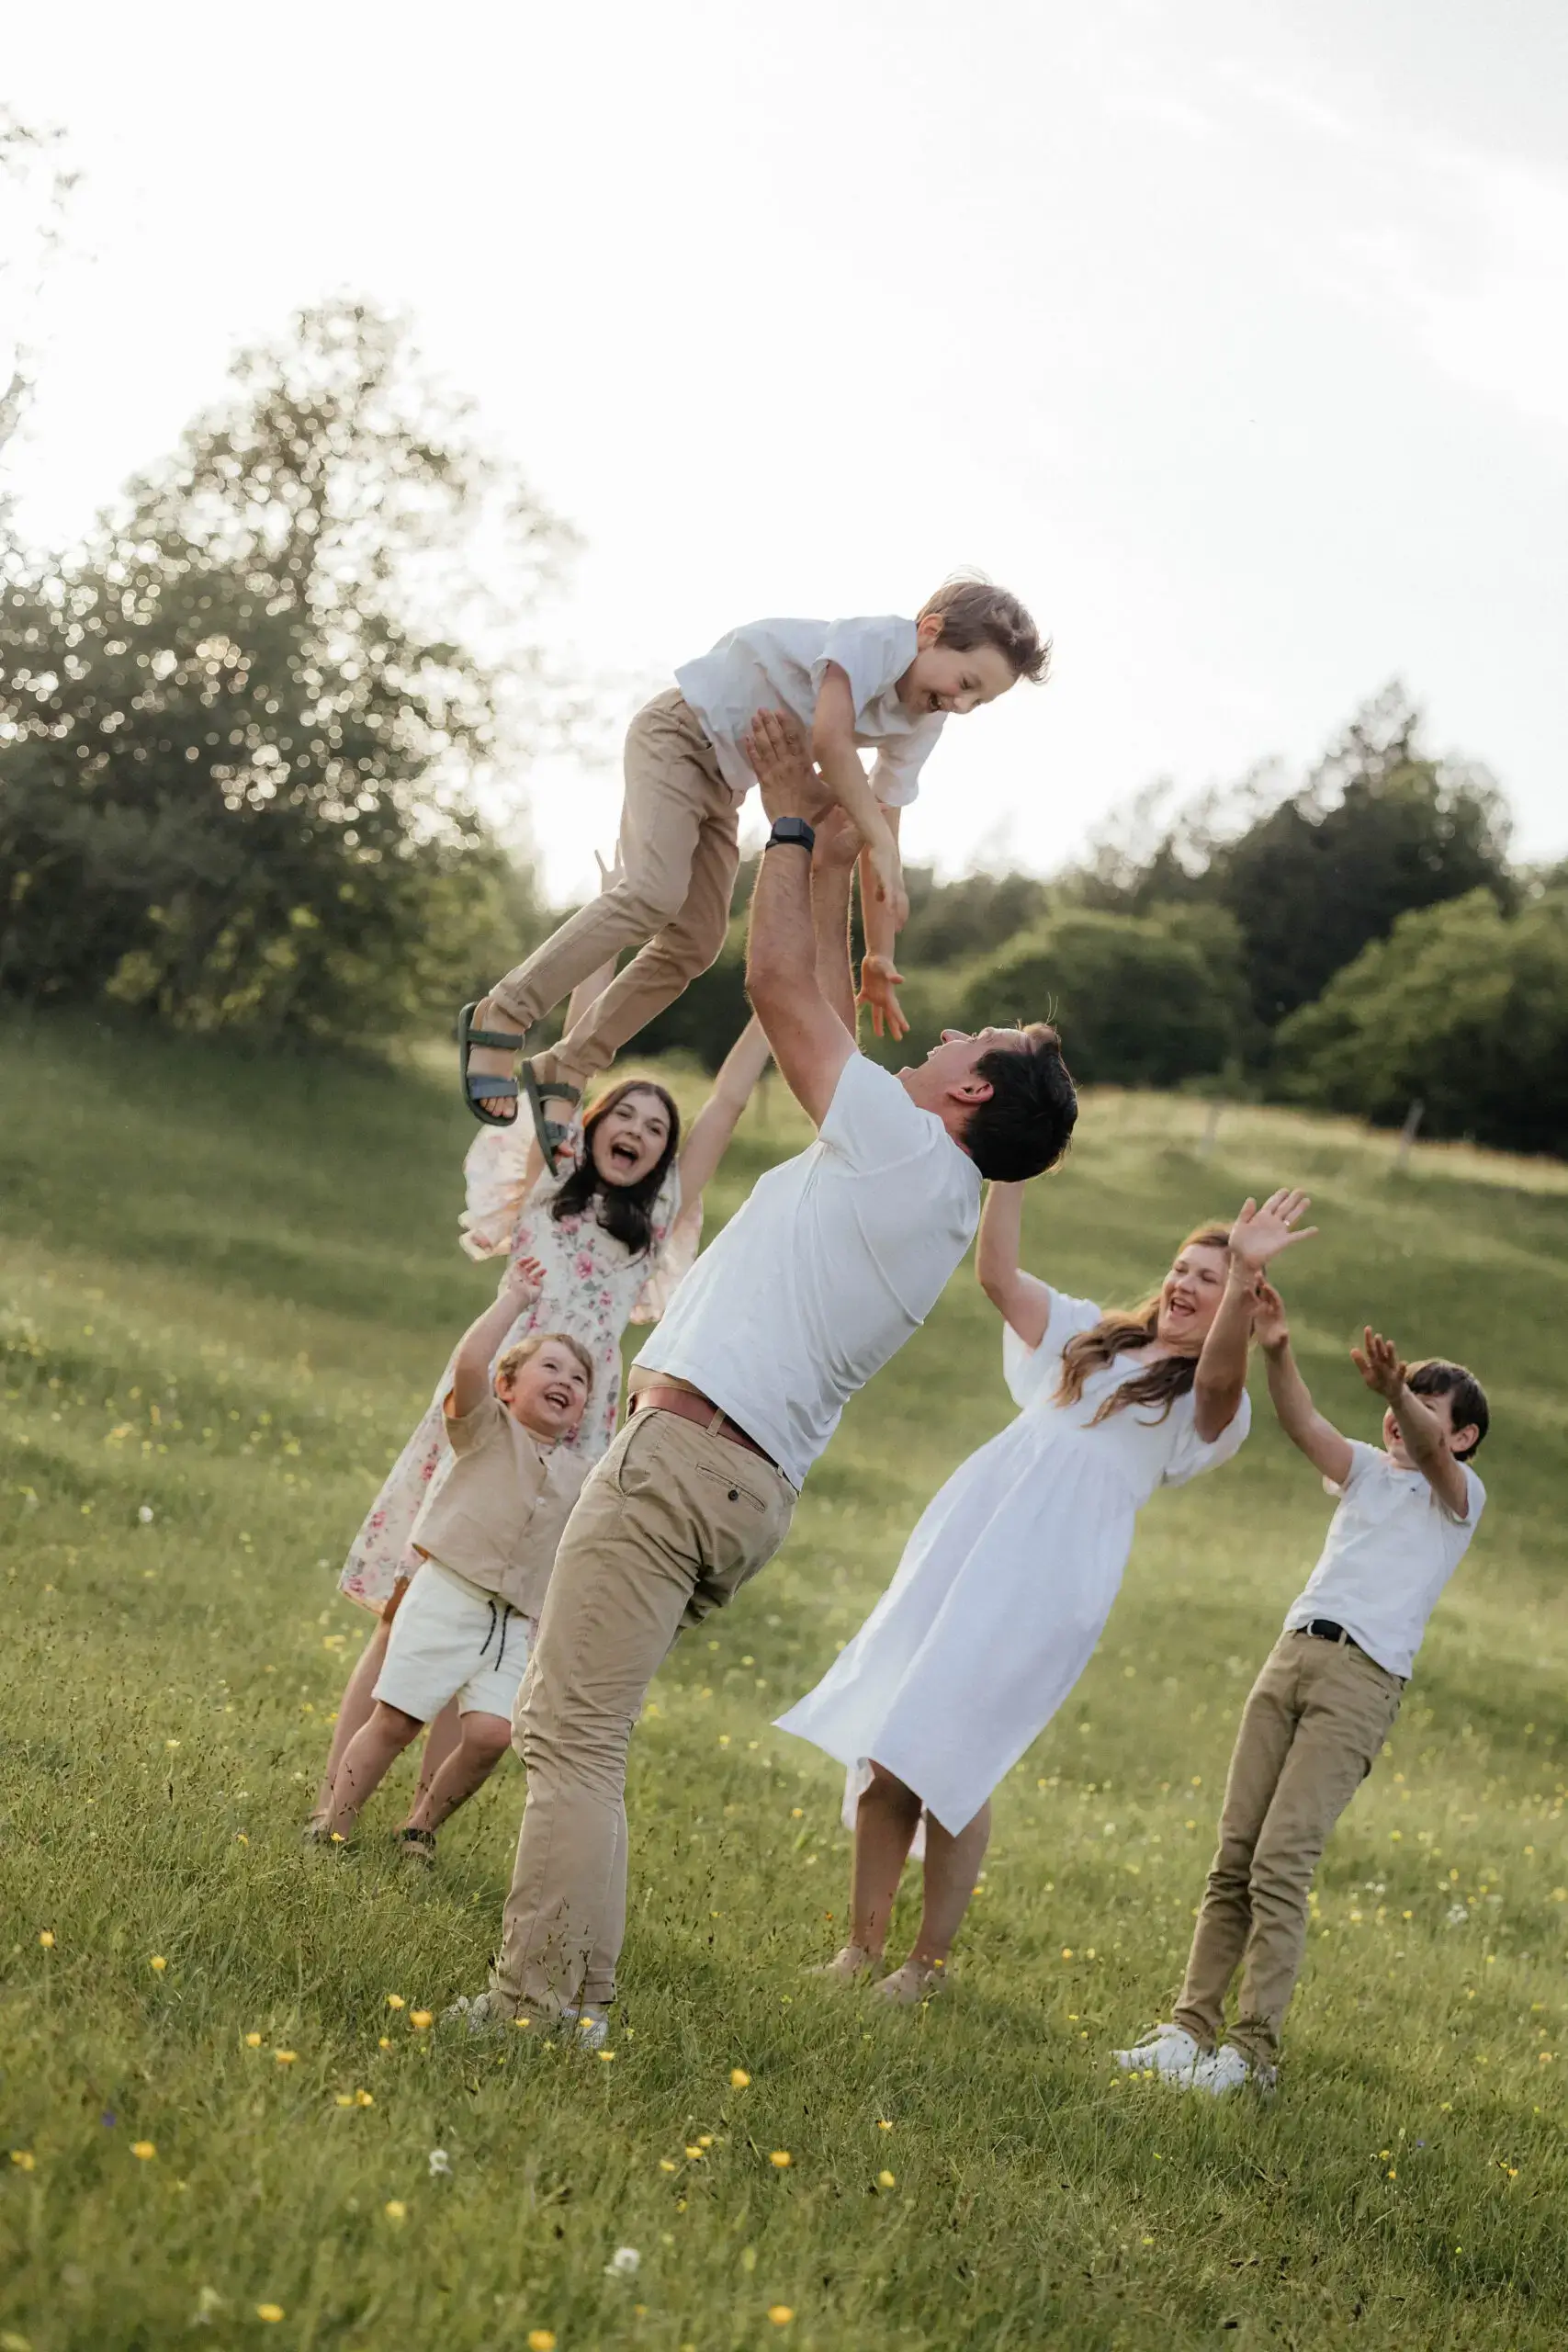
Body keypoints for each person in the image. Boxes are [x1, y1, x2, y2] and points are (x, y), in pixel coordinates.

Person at [444, 705, 1078, 2041]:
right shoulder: (920, 1181)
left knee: (571, 1739)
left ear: (971, 1097)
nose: (943, 1035)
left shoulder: (906, 1156)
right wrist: (835, 860)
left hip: (686, 1460)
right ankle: (567, 1996)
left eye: (970, 1041)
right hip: (733, 1478)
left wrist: (786, 821)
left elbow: (784, 992)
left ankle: (540, 2005)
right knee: (582, 1732)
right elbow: (826, 1000)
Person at [778, 1181, 1310, 2003]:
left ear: (1237, 1299)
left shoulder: (1208, 1404)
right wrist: (1013, 1166)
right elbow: (996, 1275)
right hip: (967, 1544)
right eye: (1182, 1268)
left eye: (1209, 1278)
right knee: (889, 1745)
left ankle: (926, 1968)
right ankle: (860, 1950)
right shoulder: (1086, 1335)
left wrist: (1243, 1276)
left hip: (1049, 1577)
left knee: (955, 1758)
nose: (1185, 1283)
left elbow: (1216, 1385)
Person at [310, 992, 773, 1832]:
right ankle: (333, 1801)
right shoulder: (549, 1176)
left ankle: (418, 1825)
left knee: (493, 1616)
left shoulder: (658, 1215)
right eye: (622, 1115)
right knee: (409, 1605)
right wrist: (609, 940)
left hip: (576, 1433)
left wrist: (774, 992)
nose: (638, 1131)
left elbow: (730, 1100)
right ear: (589, 1125)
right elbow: (574, 1052)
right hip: (491, 1404)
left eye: (656, 1128)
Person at [457, 579, 1048, 1148]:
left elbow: (880, 819)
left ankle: (567, 1065)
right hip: (678, 736)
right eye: (966, 683)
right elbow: (831, 743)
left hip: (723, 785)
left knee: (695, 944)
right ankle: (503, 1013)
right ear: (929, 632)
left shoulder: (924, 718)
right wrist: (881, 843)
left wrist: (879, 952)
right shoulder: (873, 642)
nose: (962, 705)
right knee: (652, 893)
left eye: (979, 701)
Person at [1115, 1295, 1489, 2095]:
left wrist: (1394, 1391)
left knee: (1280, 1863)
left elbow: (1427, 1449)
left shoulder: (1457, 1496)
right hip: (1290, 1656)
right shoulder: (1363, 1470)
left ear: (1461, 1436)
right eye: (1401, 1398)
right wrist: (1278, 1349)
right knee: (1234, 1856)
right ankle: (1187, 2032)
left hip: (1361, 1680)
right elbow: (1301, 1423)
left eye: (1425, 1405)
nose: (1403, 1414)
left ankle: (1250, 2057)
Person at [313, 1273, 592, 1858]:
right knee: (397, 1721)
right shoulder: (486, 1428)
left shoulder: (582, 1474)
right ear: (506, 1386)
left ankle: (420, 1827)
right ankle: (333, 1826)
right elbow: (469, 1364)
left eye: (578, 1378)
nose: (566, 1381)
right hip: (448, 1595)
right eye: (551, 1367)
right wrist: (514, 1299)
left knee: (493, 1735)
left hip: (513, 1622)